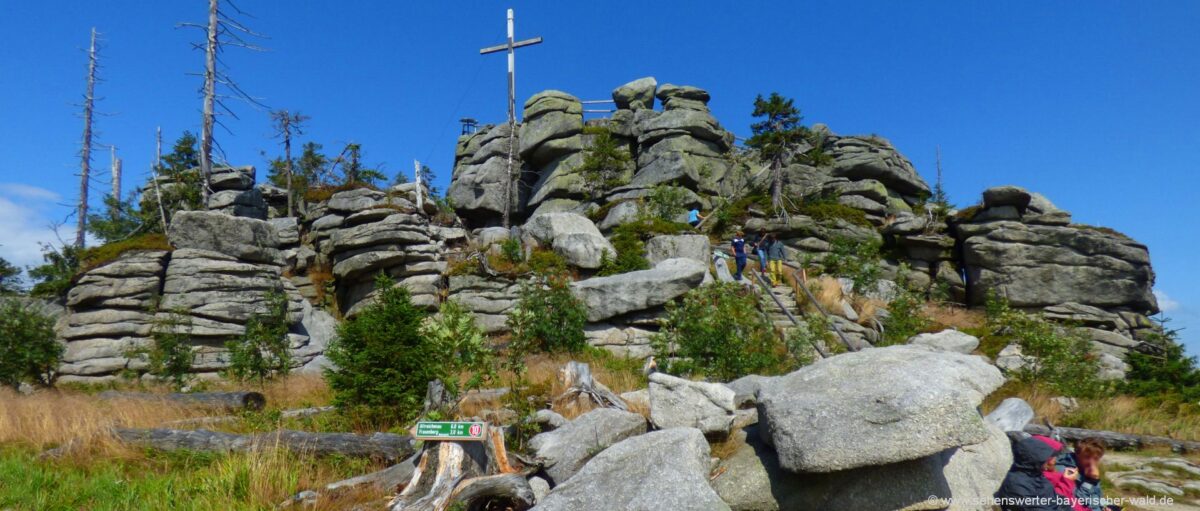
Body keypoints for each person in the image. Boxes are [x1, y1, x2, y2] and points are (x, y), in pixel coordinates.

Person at [995, 435, 1075, 511]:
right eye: (1048, 457)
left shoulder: (1036, 475)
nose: (1054, 460)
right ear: (1036, 458)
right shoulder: (1016, 486)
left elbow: (1058, 500)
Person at [1056, 438, 1119, 511]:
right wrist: (1090, 481)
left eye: (1095, 459)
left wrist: (1104, 505)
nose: (1091, 462)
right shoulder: (1066, 471)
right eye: (1087, 457)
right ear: (1077, 454)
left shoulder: (1086, 468)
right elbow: (1080, 503)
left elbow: (1096, 495)